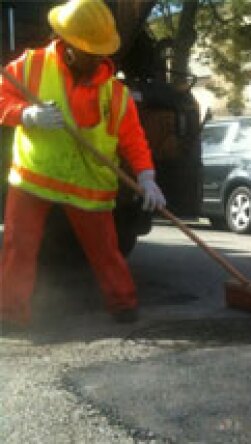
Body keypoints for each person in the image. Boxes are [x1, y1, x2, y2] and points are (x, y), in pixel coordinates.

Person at [0, 0, 166, 328]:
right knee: (18, 248)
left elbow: (133, 139)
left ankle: (123, 305)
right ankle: (9, 313)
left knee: (106, 252)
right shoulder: (31, 66)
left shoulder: (115, 93)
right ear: (70, 43)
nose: (97, 58)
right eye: (90, 51)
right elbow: (2, 96)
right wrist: (25, 115)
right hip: (35, 177)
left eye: (100, 51)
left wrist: (147, 177)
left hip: (89, 187)